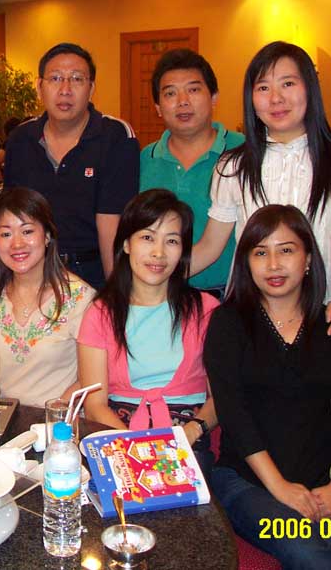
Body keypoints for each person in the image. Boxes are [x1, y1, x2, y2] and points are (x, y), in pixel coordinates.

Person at [192, 41, 331, 342]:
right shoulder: (234, 166)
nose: (276, 98)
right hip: (254, 323)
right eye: (263, 88)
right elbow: (210, 246)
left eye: (287, 83)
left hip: (327, 321)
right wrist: (150, 276)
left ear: (310, 90)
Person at [204, 204, 331, 569]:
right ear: (246, 262)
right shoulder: (228, 323)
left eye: (286, 250)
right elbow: (233, 413)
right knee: (313, 556)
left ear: (308, 258)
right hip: (247, 482)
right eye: (260, 252)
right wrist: (279, 487)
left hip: (325, 481)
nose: (273, 264)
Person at [77, 189, 219, 471]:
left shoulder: (206, 309)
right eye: (147, 237)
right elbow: (95, 405)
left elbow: (223, 396)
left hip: (186, 437)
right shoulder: (100, 313)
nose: (159, 253)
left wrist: (192, 430)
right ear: (127, 244)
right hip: (117, 433)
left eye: (172, 241)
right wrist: (136, 447)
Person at [3, 42, 139, 289]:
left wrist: (113, 294)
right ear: (39, 86)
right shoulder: (20, 139)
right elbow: (12, 218)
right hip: (33, 270)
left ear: (91, 88)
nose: (65, 89)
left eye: (76, 79)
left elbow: (111, 223)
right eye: (55, 78)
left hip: (91, 271)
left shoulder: (116, 136)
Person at [0, 187, 95, 407]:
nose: (17, 244)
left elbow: (89, 379)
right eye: (6, 234)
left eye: (27, 231)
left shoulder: (80, 298)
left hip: (56, 425)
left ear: (47, 236)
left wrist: (53, 415)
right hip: (2, 420)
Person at [139, 49, 244, 297]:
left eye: (194, 89)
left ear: (214, 97)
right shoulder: (144, 159)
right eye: (170, 93)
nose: (182, 101)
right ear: (157, 107)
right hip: (159, 296)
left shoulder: (244, 152)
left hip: (230, 298)